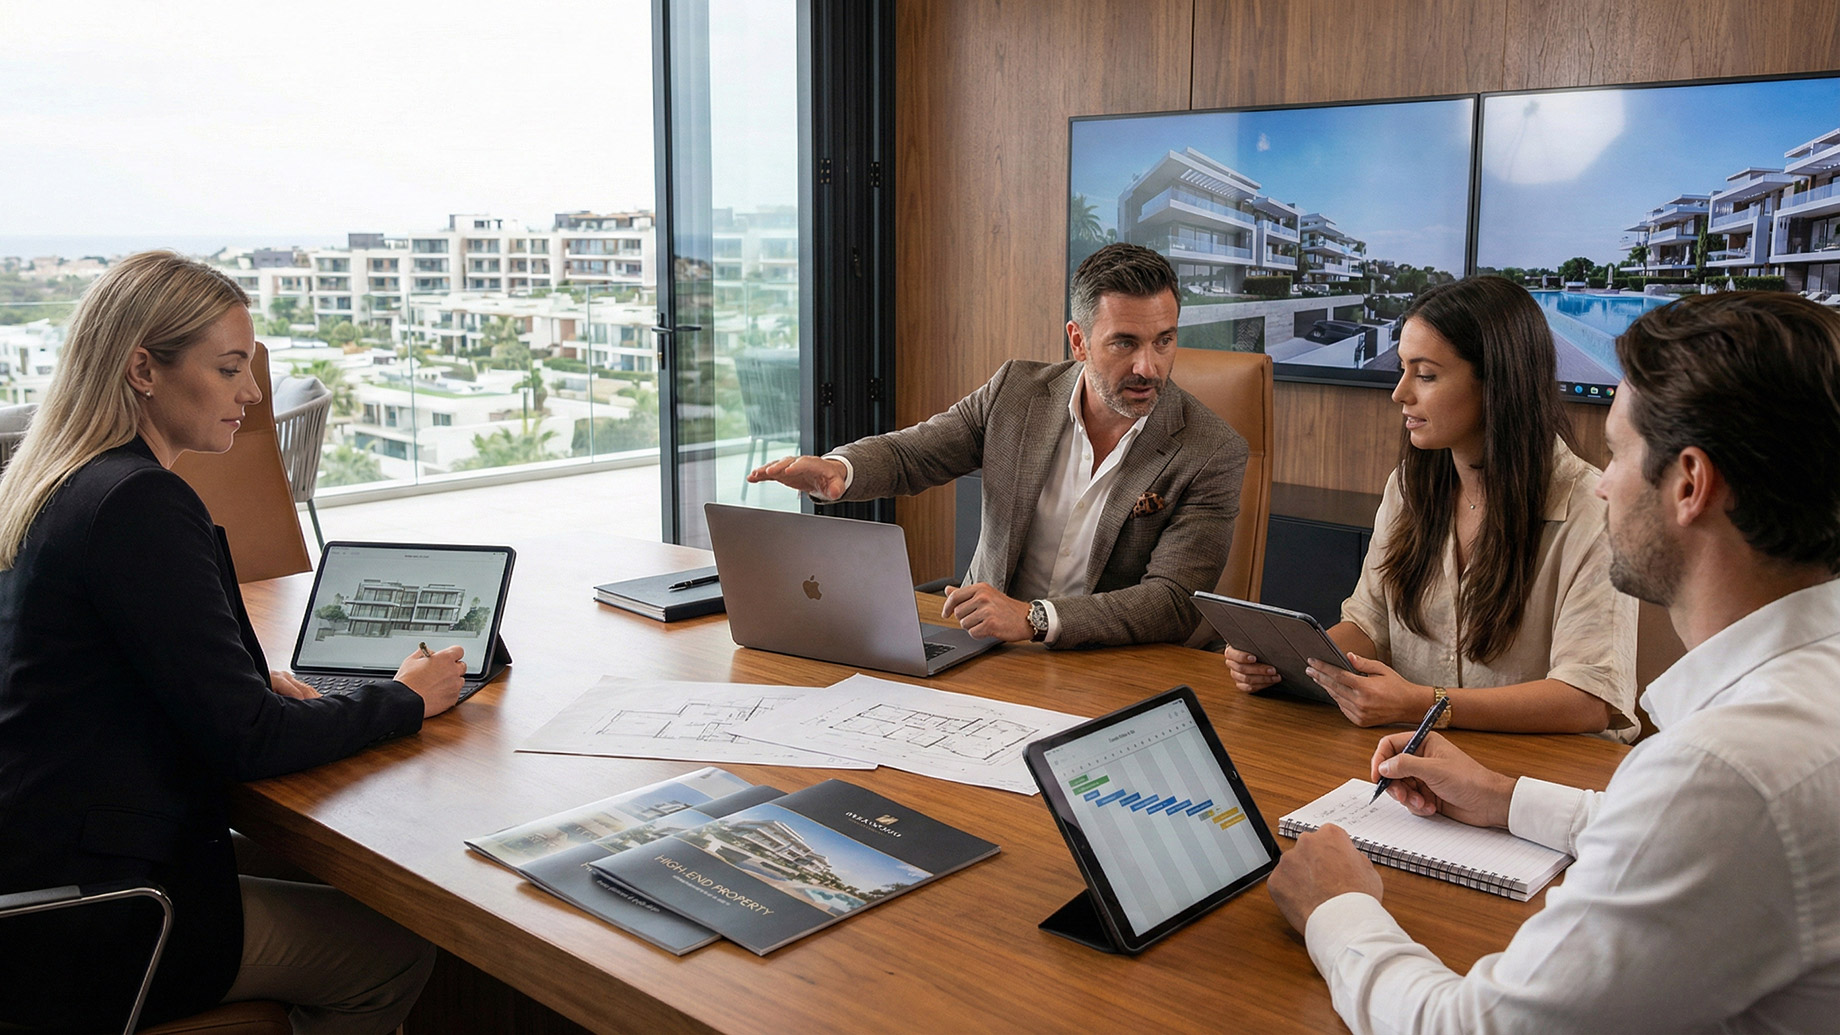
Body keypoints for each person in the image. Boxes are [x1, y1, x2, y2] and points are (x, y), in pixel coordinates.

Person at [1268, 290, 1840, 1032]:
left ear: (1690, 483)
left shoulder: (1720, 772)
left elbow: (1475, 1026)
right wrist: (1506, 797)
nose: (1602, 480)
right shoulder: (1795, 705)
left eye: (1619, 451)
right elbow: (1669, 826)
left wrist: (1337, 907)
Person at [0, 252, 461, 1033]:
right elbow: (247, 742)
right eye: (229, 367)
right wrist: (403, 696)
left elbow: (91, 676)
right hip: (107, 915)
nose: (253, 392)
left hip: (41, 874)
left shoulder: (58, 483)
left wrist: (245, 676)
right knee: (396, 950)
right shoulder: (139, 500)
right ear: (143, 367)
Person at [748, 242, 1246, 648]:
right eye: (1125, 343)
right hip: (985, 648)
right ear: (1078, 342)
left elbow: (1172, 601)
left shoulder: (1210, 450)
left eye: (1164, 340)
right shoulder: (1016, 392)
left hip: (1112, 666)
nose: (1148, 367)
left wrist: (1035, 619)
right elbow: (915, 453)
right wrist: (840, 469)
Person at [1224, 277, 1638, 738]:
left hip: (1544, 780)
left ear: (1497, 383)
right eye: (1403, 370)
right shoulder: (1407, 488)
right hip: (1419, 764)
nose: (1400, 393)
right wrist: (1289, 661)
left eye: (1425, 375)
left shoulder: (1592, 510)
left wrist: (1426, 705)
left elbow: (1588, 700)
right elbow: (1370, 625)